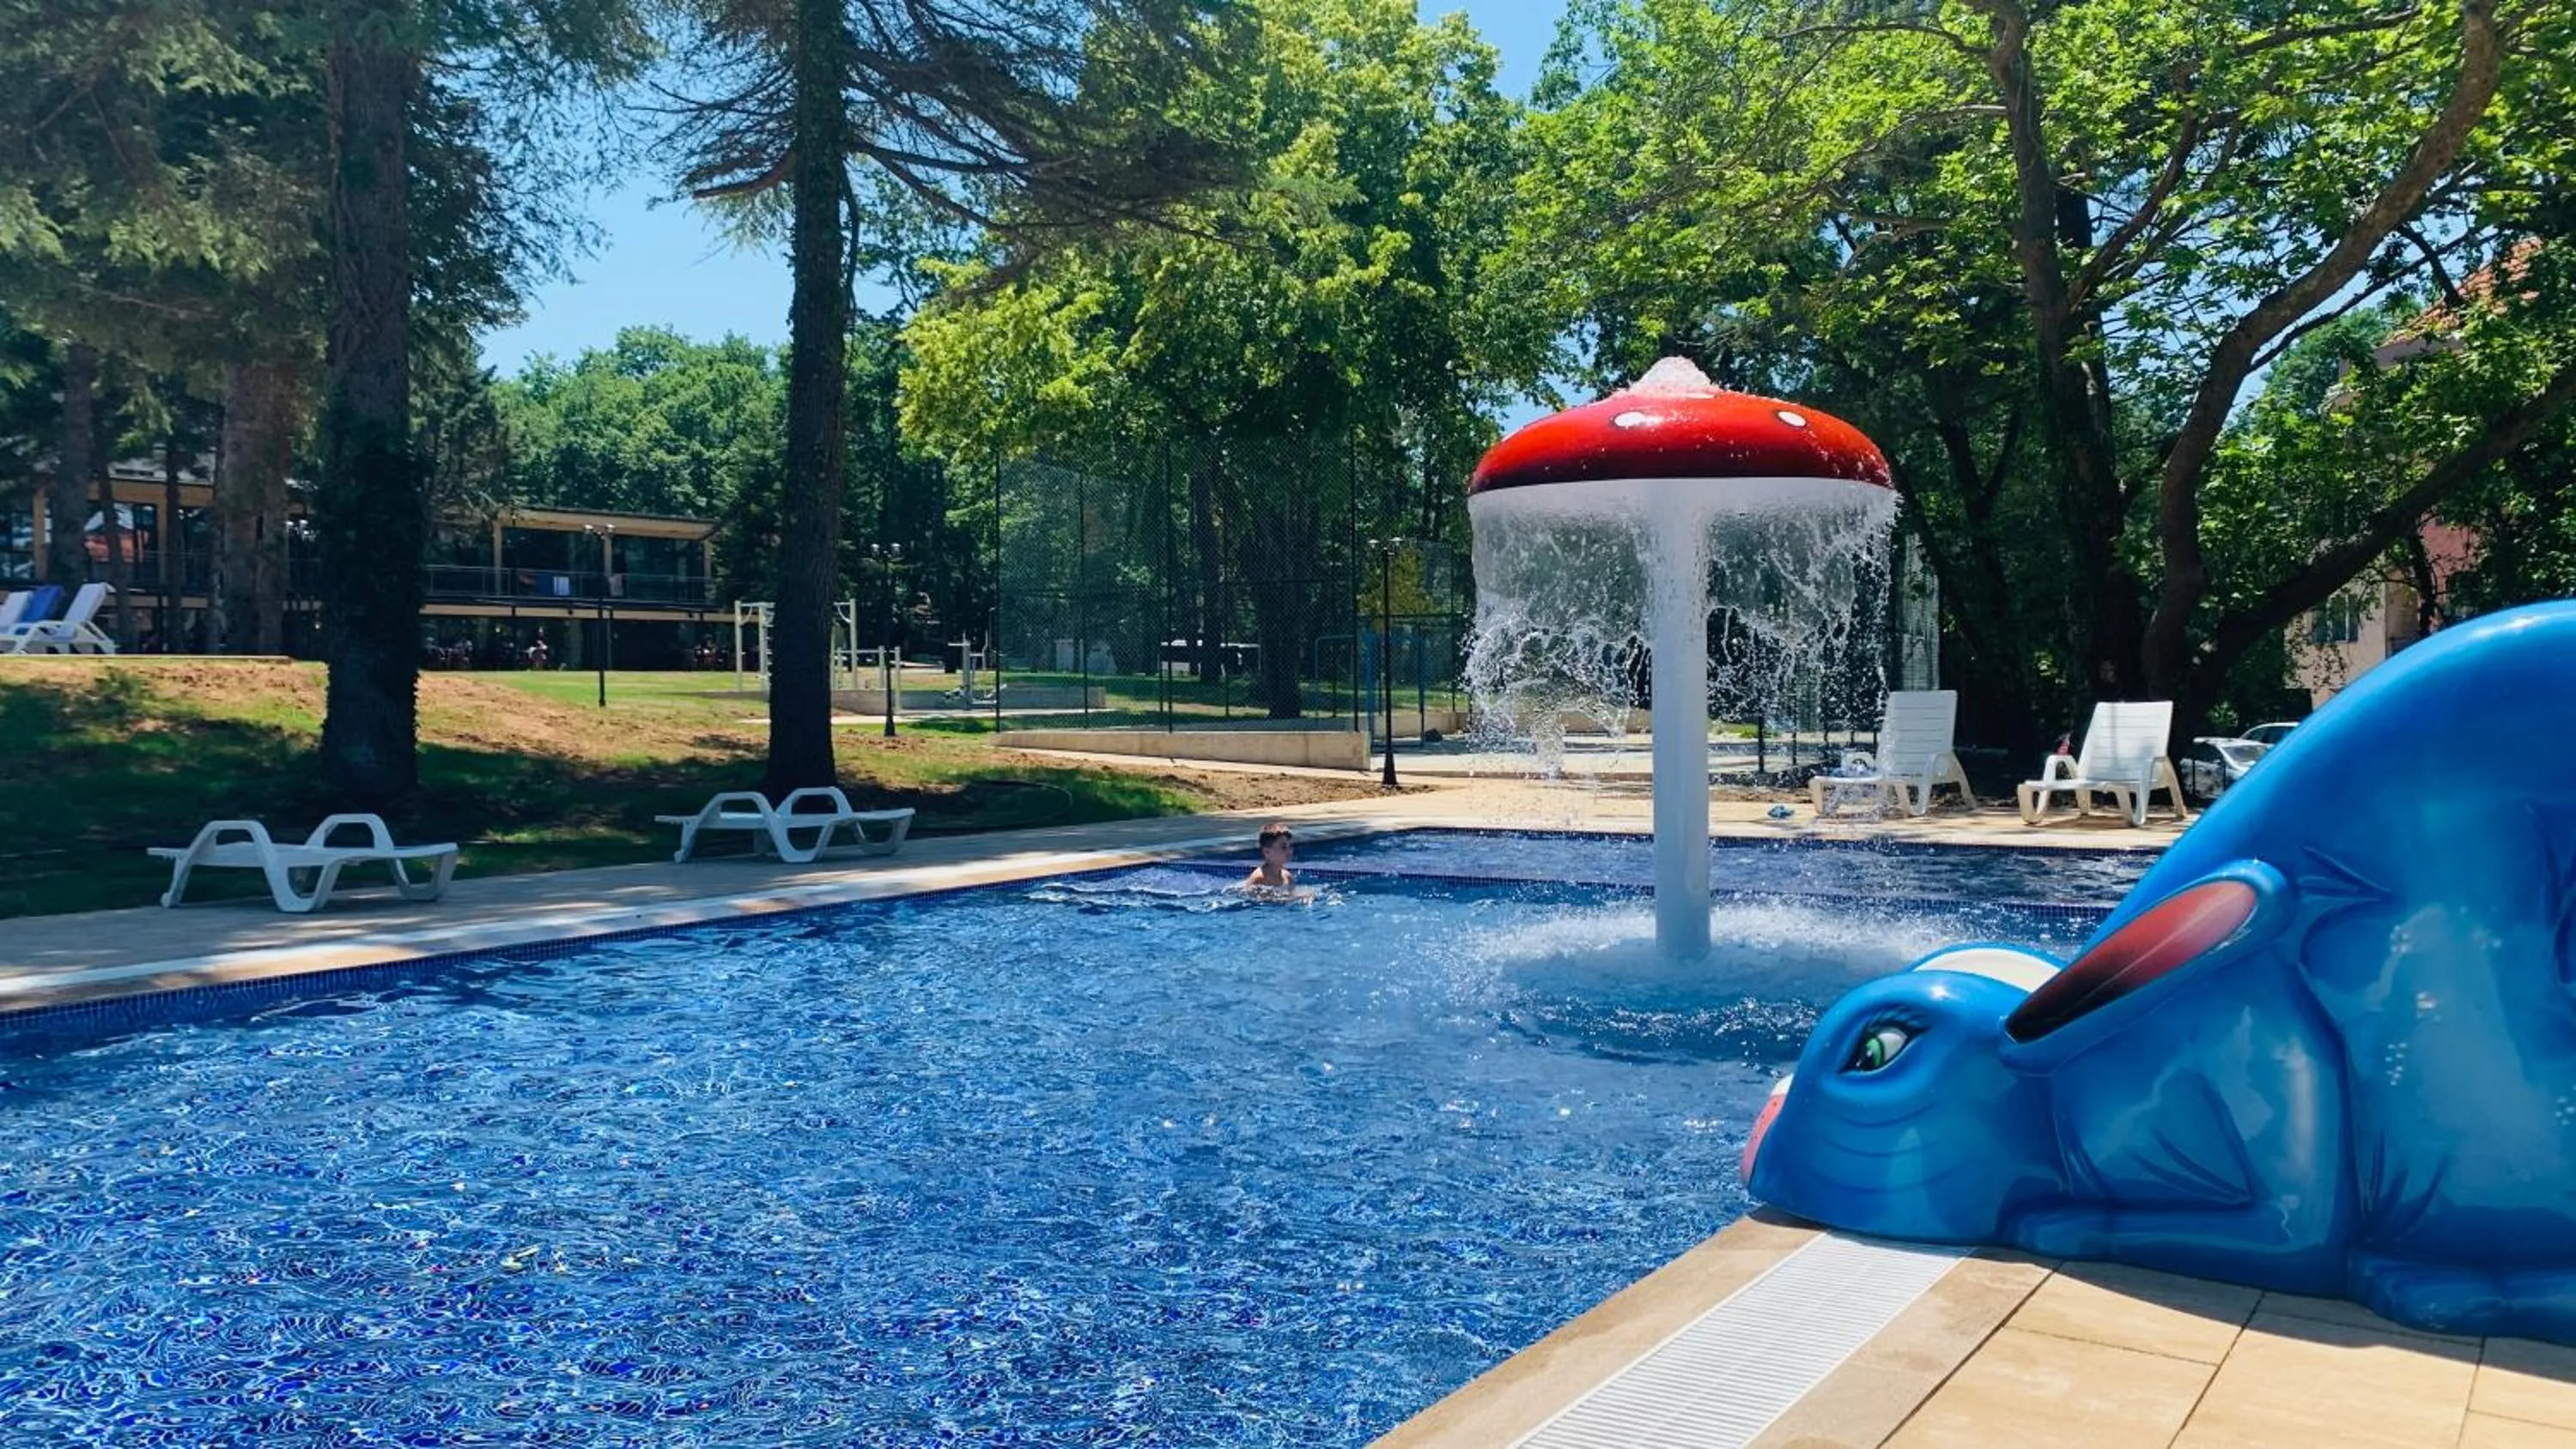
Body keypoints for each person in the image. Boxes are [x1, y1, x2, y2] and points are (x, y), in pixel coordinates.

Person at [1242, 822, 1297, 894]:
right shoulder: (1258, 878)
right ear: (1267, 852)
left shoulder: (1287, 877)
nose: (1289, 851)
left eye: (1290, 846)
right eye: (1283, 847)